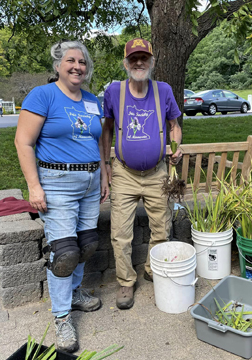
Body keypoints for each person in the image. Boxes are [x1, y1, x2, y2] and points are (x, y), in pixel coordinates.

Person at [15, 40, 109, 353]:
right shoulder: (43, 95)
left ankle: (75, 293)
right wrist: (34, 185)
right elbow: (23, 141)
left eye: (82, 62)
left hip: (90, 182)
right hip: (56, 182)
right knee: (64, 253)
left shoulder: (93, 101)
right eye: (70, 60)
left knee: (86, 245)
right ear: (58, 65)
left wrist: (104, 176)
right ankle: (61, 317)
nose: (77, 66)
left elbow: (98, 144)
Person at [101, 38, 182, 310]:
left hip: (158, 172)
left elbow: (174, 125)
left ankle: (152, 267)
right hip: (124, 173)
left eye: (143, 58)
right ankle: (125, 281)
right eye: (133, 58)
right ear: (126, 63)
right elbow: (107, 129)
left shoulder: (163, 90)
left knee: (162, 227)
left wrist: (176, 146)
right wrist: (106, 164)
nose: (139, 63)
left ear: (151, 62)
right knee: (120, 232)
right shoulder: (114, 91)